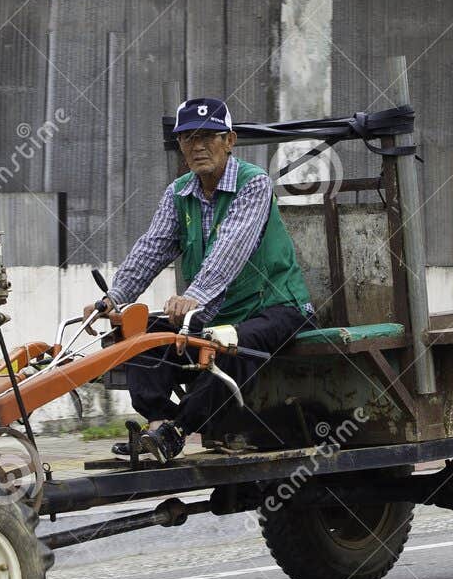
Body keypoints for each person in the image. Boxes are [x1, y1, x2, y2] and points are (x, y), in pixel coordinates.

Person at [87, 97, 314, 463]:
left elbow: (231, 247)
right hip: (216, 311)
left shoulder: (253, 184)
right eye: (188, 137)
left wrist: (194, 296)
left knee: (229, 343)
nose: (197, 145)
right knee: (141, 335)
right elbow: (151, 249)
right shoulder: (178, 193)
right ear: (179, 145)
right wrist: (113, 298)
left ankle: (178, 431)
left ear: (230, 140)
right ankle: (158, 425)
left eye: (208, 136)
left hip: (275, 306)